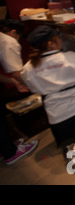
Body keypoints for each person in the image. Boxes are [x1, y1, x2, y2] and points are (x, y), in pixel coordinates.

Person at [20, 25, 75, 175]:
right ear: (51, 43)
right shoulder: (72, 57)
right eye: (58, 38)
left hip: (56, 110)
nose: (61, 40)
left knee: (67, 137)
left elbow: (35, 90)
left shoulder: (28, 69)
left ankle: (71, 148)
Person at [0, 19, 38, 165]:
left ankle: (5, 148)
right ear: (13, 32)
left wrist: (15, 83)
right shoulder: (9, 41)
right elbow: (16, 72)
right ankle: (10, 152)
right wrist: (29, 85)